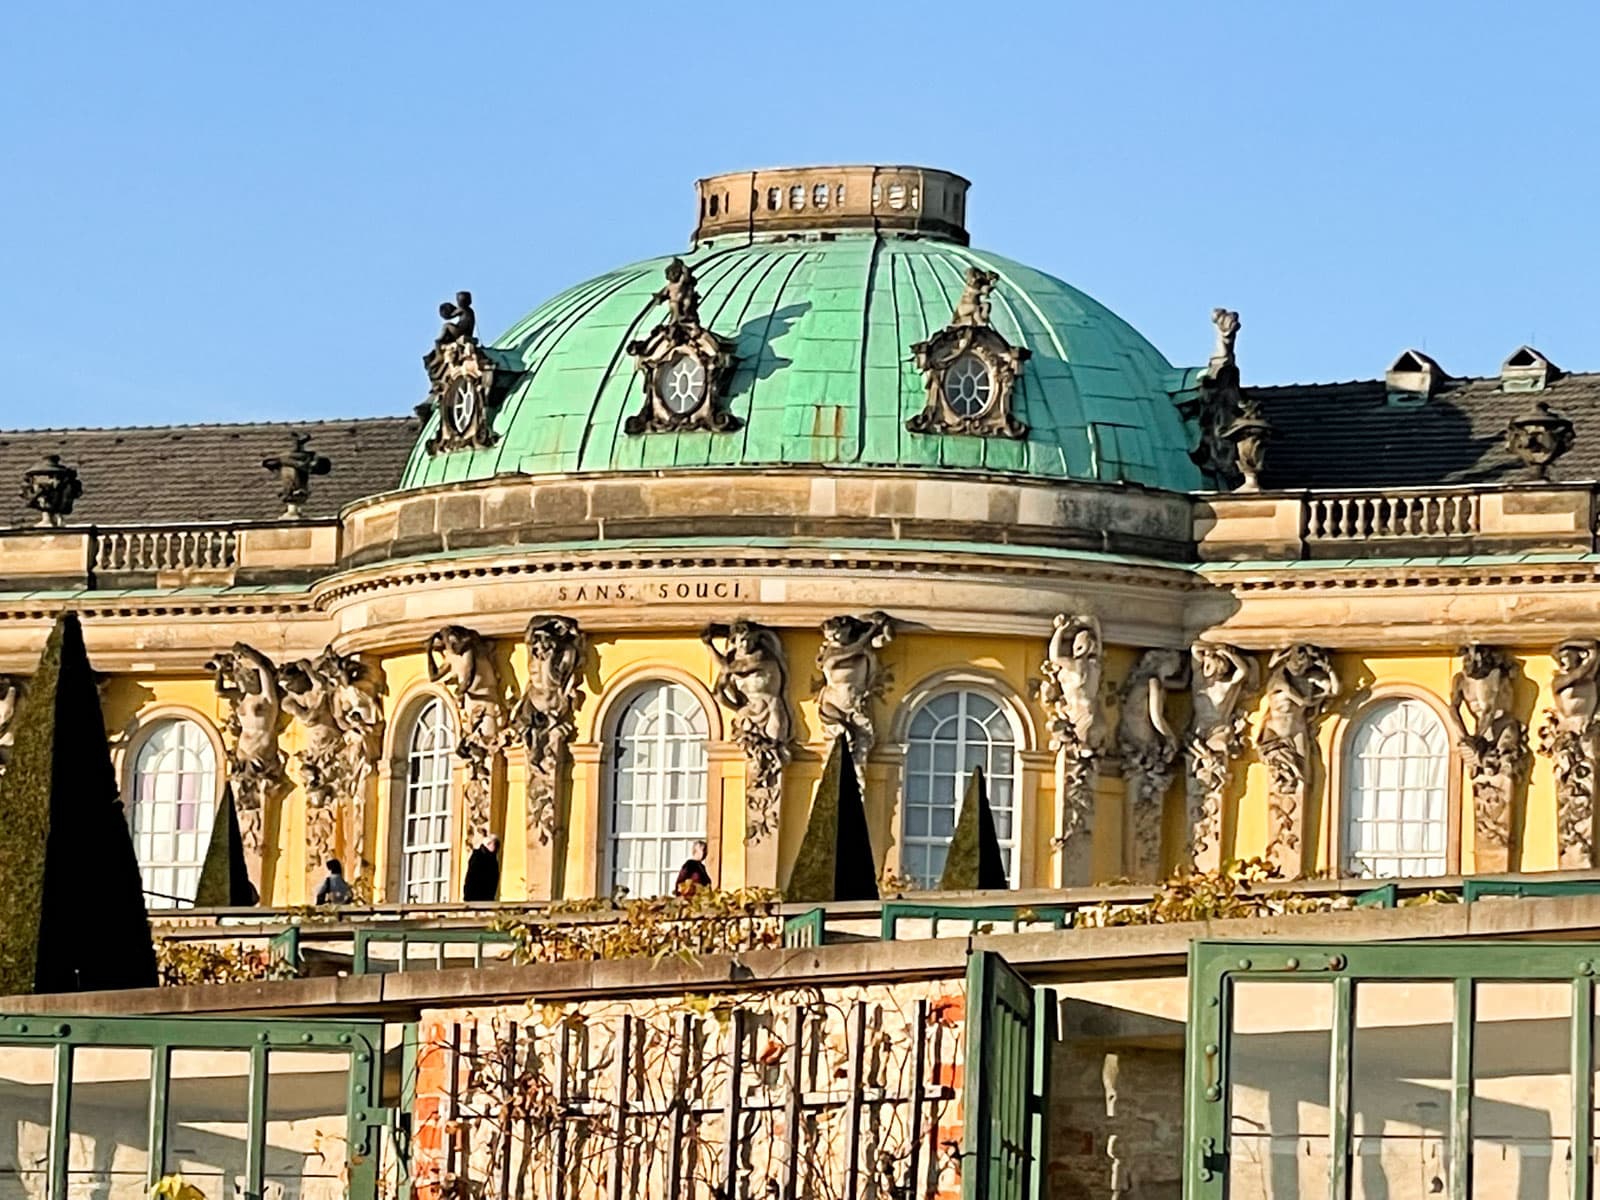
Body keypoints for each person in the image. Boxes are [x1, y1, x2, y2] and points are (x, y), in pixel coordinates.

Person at [463, 835, 501, 902]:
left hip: (482, 898)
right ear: (489, 844)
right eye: (496, 845)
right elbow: (472, 878)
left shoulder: (491, 858)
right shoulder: (479, 857)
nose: (497, 849)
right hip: (477, 897)